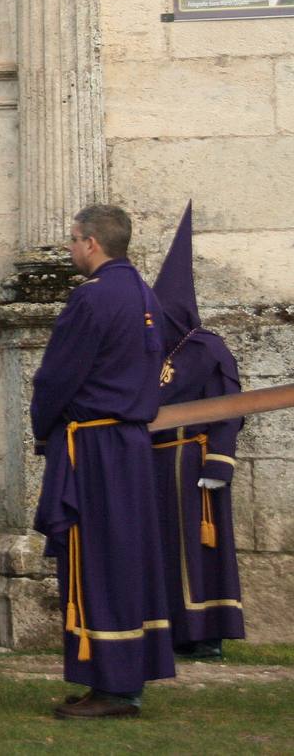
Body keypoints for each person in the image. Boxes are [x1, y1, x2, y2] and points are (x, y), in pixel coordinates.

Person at [31, 205, 175, 719]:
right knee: (126, 560)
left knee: (97, 560)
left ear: (92, 242)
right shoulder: (145, 295)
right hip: (132, 444)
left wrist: (44, 428)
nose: (70, 250)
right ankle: (119, 679)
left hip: (94, 448)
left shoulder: (92, 297)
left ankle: (113, 687)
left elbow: (56, 376)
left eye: (72, 240)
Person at [150, 203, 245, 659]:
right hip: (155, 464)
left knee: (199, 548)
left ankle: (207, 632)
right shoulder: (148, 353)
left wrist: (219, 461)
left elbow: (230, 407)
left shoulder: (209, 349)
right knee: (165, 548)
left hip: (195, 464)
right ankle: (171, 627)